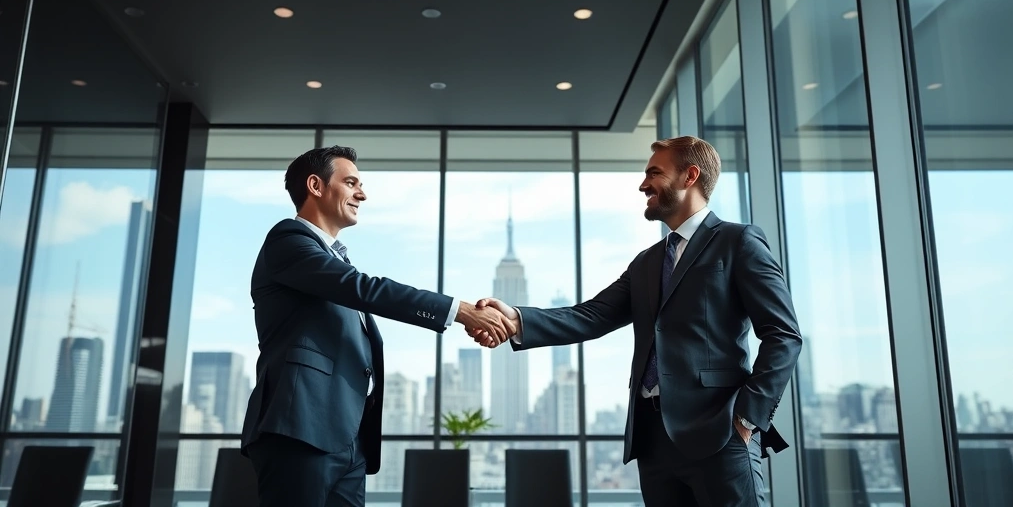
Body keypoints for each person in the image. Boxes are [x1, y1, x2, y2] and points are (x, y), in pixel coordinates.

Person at [473, 136, 802, 507]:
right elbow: (591, 315)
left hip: (719, 434)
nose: (643, 184)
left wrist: (746, 418)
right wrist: (514, 318)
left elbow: (784, 335)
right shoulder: (646, 262)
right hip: (653, 441)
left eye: (654, 173)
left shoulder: (738, 241)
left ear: (690, 176)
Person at [241, 145, 513, 507]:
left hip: (348, 439)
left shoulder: (332, 259)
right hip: (299, 431)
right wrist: (459, 310)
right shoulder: (289, 241)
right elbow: (366, 290)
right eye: (351, 182)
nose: (362, 194)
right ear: (315, 186)